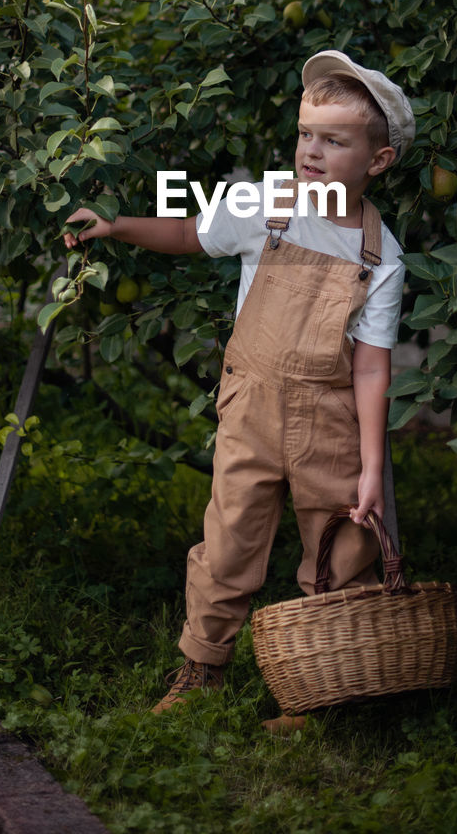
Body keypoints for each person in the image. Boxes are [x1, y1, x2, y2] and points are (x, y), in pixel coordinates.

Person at [63, 49, 415, 715]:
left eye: (332, 140)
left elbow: (370, 364)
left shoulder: (381, 254)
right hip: (250, 404)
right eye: (304, 133)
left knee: (341, 549)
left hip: (329, 419)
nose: (310, 150)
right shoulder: (263, 205)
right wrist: (116, 226)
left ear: (376, 161)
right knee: (229, 538)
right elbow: (189, 234)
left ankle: (323, 688)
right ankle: (201, 671)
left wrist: (372, 467)